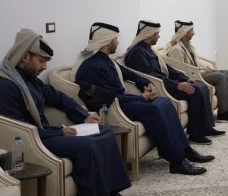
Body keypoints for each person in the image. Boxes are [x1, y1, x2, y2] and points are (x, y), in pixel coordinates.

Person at [0, 29, 140, 196]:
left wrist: (84, 116)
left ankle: (109, 195)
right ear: (24, 57)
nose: (45, 66)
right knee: (86, 146)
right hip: (32, 142)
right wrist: (59, 131)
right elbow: (17, 128)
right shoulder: (2, 87)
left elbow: (58, 97)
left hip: (45, 134)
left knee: (104, 131)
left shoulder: (28, 80)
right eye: (41, 61)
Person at [74, 22, 212, 176]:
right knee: (153, 109)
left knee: (164, 102)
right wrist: (141, 98)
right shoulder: (90, 66)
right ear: (106, 41)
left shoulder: (106, 60)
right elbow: (104, 97)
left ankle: (185, 150)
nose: (118, 43)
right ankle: (177, 161)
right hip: (114, 106)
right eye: (115, 39)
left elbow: (129, 73)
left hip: (122, 100)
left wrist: (146, 83)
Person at [124, 20, 224, 145]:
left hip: (166, 82)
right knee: (196, 90)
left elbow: (167, 68)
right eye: (156, 34)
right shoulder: (137, 52)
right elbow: (151, 76)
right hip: (160, 86)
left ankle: (206, 128)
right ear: (149, 35)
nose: (159, 36)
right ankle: (196, 134)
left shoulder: (148, 49)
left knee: (201, 85)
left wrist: (185, 78)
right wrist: (177, 85)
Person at [165, 20, 228, 123]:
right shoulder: (176, 49)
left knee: (227, 72)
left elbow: (195, 63)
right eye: (191, 31)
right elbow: (182, 70)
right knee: (220, 77)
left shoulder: (188, 45)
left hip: (198, 72)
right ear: (185, 32)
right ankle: (223, 113)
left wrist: (207, 69)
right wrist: (204, 72)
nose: (194, 33)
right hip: (193, 77)